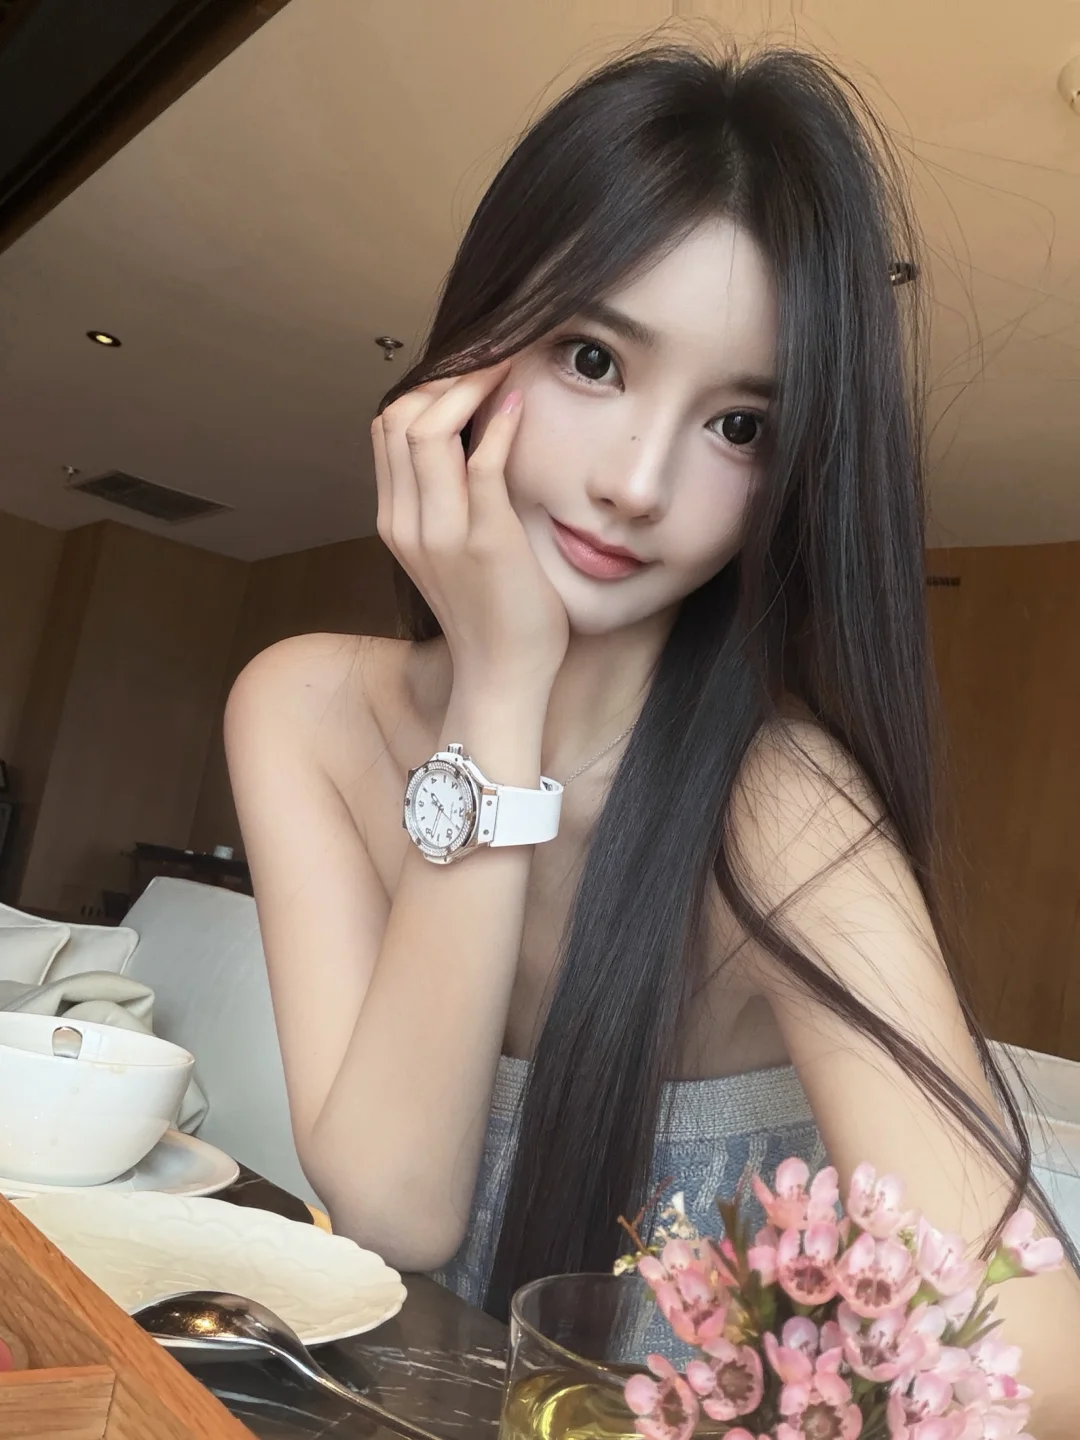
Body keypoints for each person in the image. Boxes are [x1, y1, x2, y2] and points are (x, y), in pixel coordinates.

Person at [225, 42, 1080, 1427]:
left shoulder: (781, 806)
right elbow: (396, 1206)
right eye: (593, 358)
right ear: (472, 350)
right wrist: (500, 695)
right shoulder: (305, 709)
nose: (636, 483)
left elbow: (1040, 1363)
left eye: (740, 424)